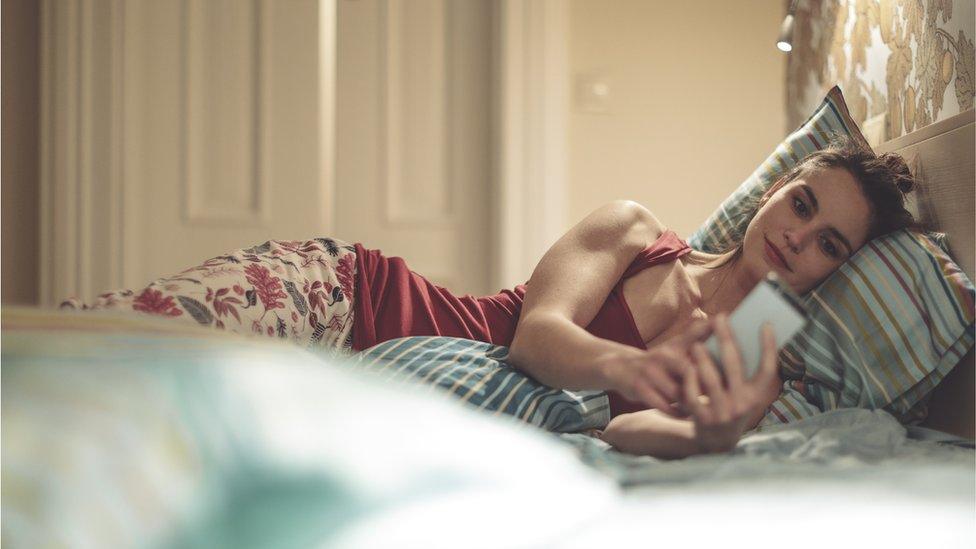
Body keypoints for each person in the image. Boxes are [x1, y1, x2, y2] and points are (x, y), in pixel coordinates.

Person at [62, 137, 918, 458]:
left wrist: (713, 430)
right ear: (779, 190)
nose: (798, 237)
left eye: (829, 245)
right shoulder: (633, 228)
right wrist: (635, 360)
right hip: (354, 304)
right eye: (802, 204)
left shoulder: (757, 356)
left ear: (832, 271)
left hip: (376, 397)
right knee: (106, 346)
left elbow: (621, 429)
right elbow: (536, 339)